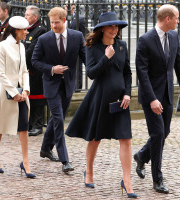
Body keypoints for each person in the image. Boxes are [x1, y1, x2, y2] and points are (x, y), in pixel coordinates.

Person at [65, 12, 137, 198]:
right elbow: (91, 73)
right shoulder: (92, 47)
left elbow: (127, 73)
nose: (114, 30)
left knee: (126, 139)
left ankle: (127, 181)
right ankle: (88, 171)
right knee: (95, 138)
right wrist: (106, 57)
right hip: (101, 98)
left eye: (116, 27)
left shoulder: (122, 46)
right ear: (103, 28)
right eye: (111, 26)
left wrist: (128, 93)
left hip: (121, 99)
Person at [134, 4, 180, 194]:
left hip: (167, 93)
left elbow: (179, 65)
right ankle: (157, 179)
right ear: (167, 19)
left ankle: (142, 156)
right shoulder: (145, 40)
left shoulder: (173, 36)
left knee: (164, 132)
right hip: (151, 96)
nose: (178, 21)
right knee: (158, 134)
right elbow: (142, 73)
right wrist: (151, 99)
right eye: (176, 17)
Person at [32, 7, 86, 173]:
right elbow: (35, 61)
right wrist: (51, 69)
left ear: (64, 20)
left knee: (57, 118)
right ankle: (65, 160)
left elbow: (86, 58)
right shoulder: (44, 39)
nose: (53, 25)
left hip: (68, 85)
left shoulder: (77, 36)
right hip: (51, 84)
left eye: (56, 22)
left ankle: (45, 149)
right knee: (59, 119)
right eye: (51, 22)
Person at [0, 16, 36, 179]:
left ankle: (26, 161)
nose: (26, 32)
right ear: (16, 31)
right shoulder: (1, 46)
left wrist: (26, 90)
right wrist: (13, 92)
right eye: (24, 30)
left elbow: (24, 70)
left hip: (21, 92)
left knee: (23, 126)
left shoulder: (21, 46)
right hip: (4, 92)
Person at [23, 5, 47, 136]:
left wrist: (23, 61)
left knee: (37, 98)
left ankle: (38, 125)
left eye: (27, 15)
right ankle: (30, 123)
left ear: (35, 17)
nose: (25, 17)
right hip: (26, 69)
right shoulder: (26, 30)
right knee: (28, 97)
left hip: (35, 69)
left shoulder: (40, 30)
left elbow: (31, 51)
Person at [65, 3, 88, 90]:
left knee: (77, 69)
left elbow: (83, 34)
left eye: (69, 6)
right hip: (65, 48)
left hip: (76, 48)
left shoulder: (80, 19)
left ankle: (77, 87)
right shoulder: (63, 18)